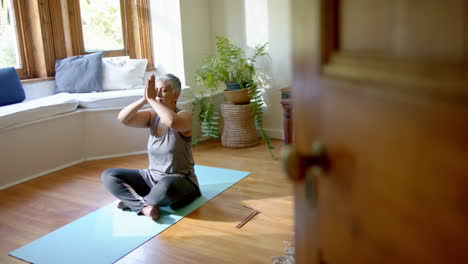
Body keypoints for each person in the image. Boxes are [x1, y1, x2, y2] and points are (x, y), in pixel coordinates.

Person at [101, 73, 201, 221]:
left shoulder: (184, 115)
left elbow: (172, 122)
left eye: (164, 90)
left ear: (176, 95)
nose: (158, 94)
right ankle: (146, 205)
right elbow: (123, 118)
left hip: (180, 181)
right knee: (109, 175)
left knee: (167, 187)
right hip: (151, 178)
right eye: (155, 90)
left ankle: (136, 202)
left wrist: (152, 100)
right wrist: (144, 99)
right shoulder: (152, 116)